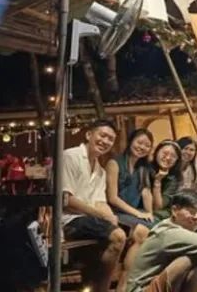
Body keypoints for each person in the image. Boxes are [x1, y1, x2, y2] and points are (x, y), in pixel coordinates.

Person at [125, 189, 197, 292]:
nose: (196, 217)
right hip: (142, 289)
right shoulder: (166, 232)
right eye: (191, 211)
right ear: (174, 210)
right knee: (187, 260)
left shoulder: (182, 235)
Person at [62, 119, 127, 292]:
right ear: (89, 135)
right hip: (68, 220)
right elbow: (66, 200)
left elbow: (100, 202)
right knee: (118, 237)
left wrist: (111, 217)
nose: (105, 141)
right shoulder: (70, 156)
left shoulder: (100, 171)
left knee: (126, 231)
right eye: (102, 135)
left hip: (88, 220)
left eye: (110, 139)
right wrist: (102, 216)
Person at [105, 129, 156, 291]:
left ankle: (145, 281)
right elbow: (112, 198)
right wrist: (139, 214)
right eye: (139, 142)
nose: (142, 147)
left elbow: (146, 192)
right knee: (142, 232)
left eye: (147, 145)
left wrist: (149, 213)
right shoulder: (114, 163)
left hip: (134, 213)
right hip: (115, 212)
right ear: (130, 141)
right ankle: (124, 284)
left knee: (160, 228)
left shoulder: (143, 167)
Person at [145, 140, 182, 221]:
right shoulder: (145, 169)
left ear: (177, 160)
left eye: (173, 156)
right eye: (165, 153)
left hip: (159, 214)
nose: (168, 158)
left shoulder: (174, 178)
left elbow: (158, 207)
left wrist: (158, 181)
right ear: (156, 152)